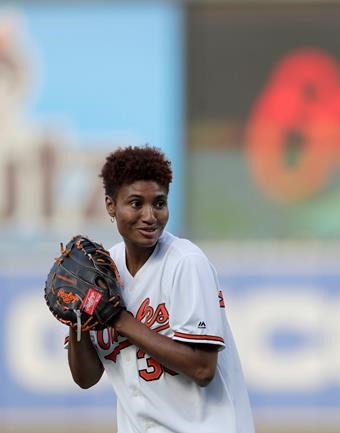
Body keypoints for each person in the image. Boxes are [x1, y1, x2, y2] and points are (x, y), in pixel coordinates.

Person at [66, 145, 255, 433]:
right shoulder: (102, 270)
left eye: (159, 203)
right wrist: (76, 320)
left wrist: (120, 321)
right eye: (135, 203)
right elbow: (86, 379)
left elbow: (203, 368)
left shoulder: (185, 263)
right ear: (110, 205)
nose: (150, 215)